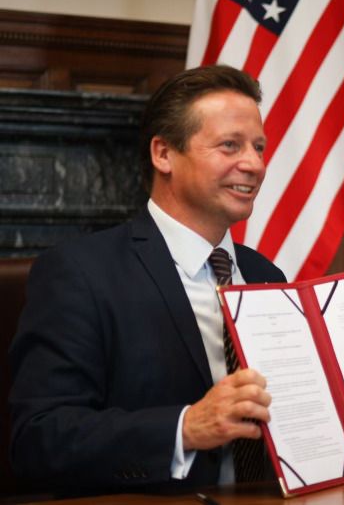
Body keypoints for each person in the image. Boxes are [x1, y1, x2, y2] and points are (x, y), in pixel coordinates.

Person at [8, 65, 286, 494]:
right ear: (163, 154)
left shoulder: (268, 276)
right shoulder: (80, 273)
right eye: (230, 146)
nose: (253, 164)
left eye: (259, 147)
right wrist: (184, 429)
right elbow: (39, 438)